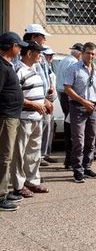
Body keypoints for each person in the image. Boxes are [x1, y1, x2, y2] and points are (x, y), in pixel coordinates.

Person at [11, 42, 51, 197]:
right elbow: (15, 96)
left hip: (36, 118)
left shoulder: (33, 70)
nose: (40, 55)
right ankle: (19, 185)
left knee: (33, 152)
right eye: (38, 52)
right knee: (19, 154)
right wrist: (33, 104)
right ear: (29, 53)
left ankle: (32, 181)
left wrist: (45, 102)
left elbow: (37, 92)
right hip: (23, 118)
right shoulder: (18, 70)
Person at [63, 42, 96, 183]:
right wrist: (82, 101)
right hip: (78, 106)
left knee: (91, 139)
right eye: (88, 53)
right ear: (82, 53)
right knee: (79, 140)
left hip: (93, 107)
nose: (90, 56)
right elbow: (67, 88)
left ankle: (87, 167)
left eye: (93, 54)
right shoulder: (74, 68)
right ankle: (77, 170)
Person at [0, 32, 27, 211]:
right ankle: (1, 197)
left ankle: (3, 190)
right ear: (12, 46)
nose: (20, 50)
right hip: (5, 117)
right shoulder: (1, 67)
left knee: (6, 157)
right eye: (19, 46)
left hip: (11, 116)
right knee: (4, 157)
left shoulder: (7, 65)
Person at [23, 24, 55, 167]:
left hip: (42, 101)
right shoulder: (24, 56)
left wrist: (47, 94)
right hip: (29, 108)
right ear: (34, 36)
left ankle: (35, 169)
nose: (44, 40)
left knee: (36, 143)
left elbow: (46, 75)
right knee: (25, 146)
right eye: (42, 37)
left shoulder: (40, 55)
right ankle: (22, 180)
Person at [55, 43, 83, 168]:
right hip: (69, 96)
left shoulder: (64, 60)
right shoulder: (73, 63)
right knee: (73, 128)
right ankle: (70, 160)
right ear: (79, 53)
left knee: (69, 127)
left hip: (62, 95)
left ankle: (69, 159)